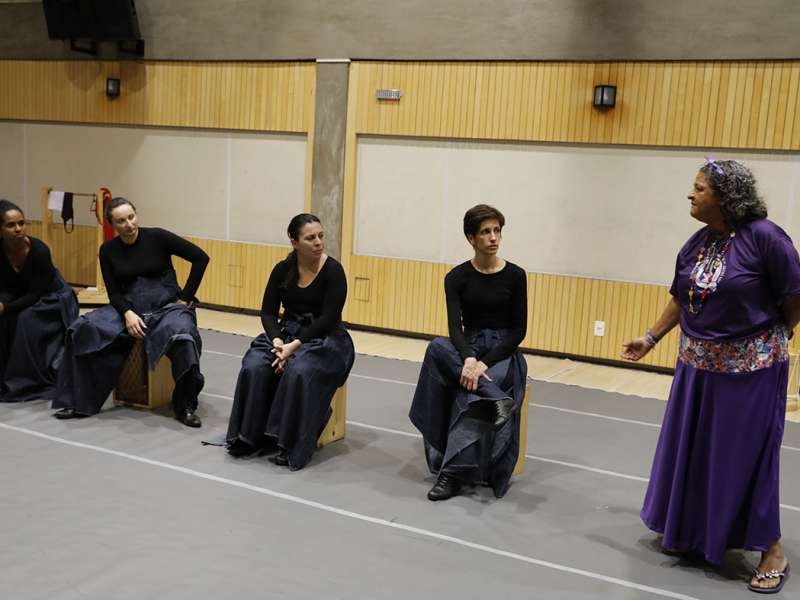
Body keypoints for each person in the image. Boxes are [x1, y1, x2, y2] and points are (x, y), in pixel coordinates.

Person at [622, 159, 800, 594]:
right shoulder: (697, 242)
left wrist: (780, 335)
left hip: (752, 373)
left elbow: (795, 295)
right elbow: (681, 297)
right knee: (695, 451)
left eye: (699, 188)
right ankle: (696, 534)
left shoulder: (767, 239)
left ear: (725, 197)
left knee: (746, 458)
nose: (691, 194)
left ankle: (771, 550)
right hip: (697, 369)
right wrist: (651, 337)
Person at [52, 197, 210, 427]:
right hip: (130, 308)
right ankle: (77, 400)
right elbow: (114, 292)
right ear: (112, 225)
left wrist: (185, 297)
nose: (129, 224)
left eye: (131, 217)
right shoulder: (107, 250)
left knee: (184, 337)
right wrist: (127, 313)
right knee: (82, 328)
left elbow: (201, 258)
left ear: (136, 215)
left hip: (167, 307)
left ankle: (185, 405)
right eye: (121, 221)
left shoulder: (158, 237)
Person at [409, 204, 528, 501]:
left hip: (501, 352)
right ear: (471, 238)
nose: (493, 238)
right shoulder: (456, 277)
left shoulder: (516, 276)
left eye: (497, 231)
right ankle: (498, 398)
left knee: (468, 396)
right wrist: (469, 359)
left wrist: (482, 364)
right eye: (486, 232)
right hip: (469, 348)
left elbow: (518, 332)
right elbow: (455, 329)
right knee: (436, 347)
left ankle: (451, 474)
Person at [225, 213, 354, 470]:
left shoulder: (334, 271)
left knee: (299, 370)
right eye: (310, 238)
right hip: (285, 334)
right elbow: (268, 313)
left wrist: (292, 348)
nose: (318, 242)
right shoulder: (282, 270)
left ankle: (287, 442)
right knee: (254, 364)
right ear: (294, 242)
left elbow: (328, 318)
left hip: (325, 338)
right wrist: (277, 341)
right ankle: (248, 436)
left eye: (320, 236)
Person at [0, 200, 78, 402]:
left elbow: (35, 294)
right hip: (17, 292)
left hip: (51, 296)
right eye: (10, 225)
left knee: (25, 320)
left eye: (21, 223)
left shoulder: (40, 251)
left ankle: (22, 381)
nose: (18, 229)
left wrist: (5, 307)